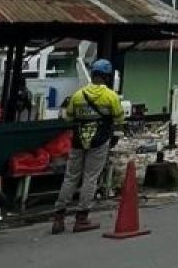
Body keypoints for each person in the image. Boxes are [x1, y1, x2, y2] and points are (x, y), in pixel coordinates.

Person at [51, 60, 124, 234]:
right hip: (99, 141)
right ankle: (81, 218)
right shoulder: (111, 96)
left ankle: (58, 218)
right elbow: (119, 118)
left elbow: (68, 118)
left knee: (70, 177)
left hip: (78, 141)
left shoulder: (78, 95)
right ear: (107, 77)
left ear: (92, 75)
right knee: (90, 177)